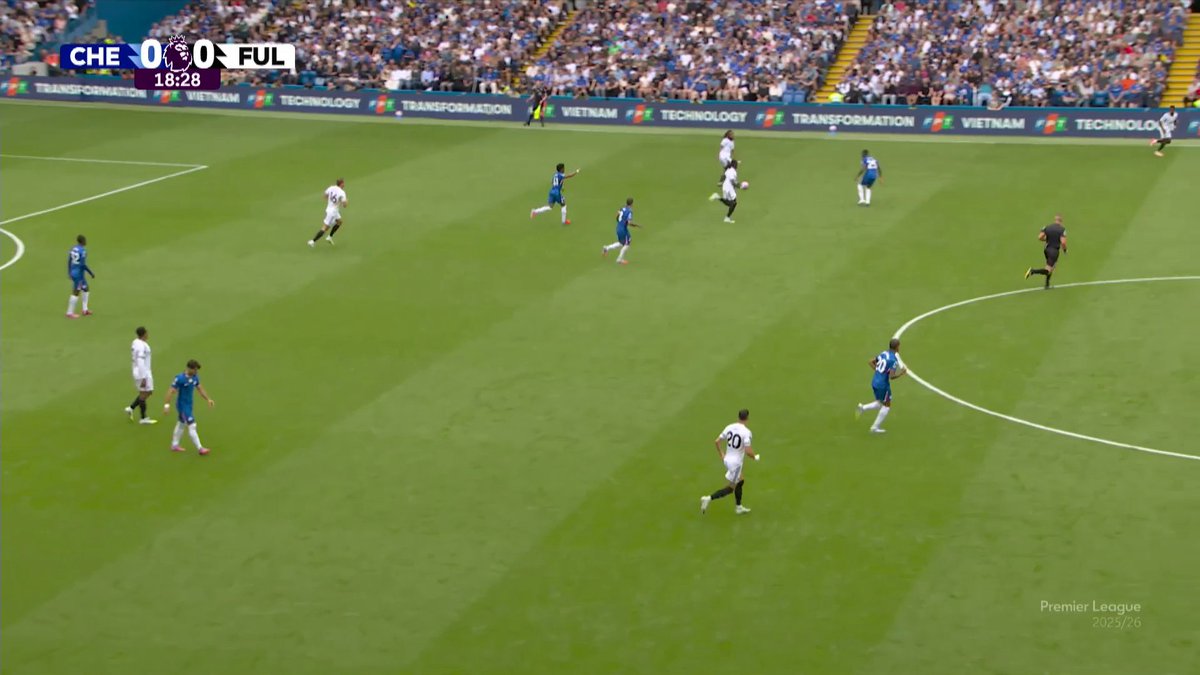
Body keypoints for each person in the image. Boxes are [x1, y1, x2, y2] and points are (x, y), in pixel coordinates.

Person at [700, 409, 760, 515]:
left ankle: (738, 507)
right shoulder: (746, 432)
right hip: (735, 464)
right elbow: (748, 451)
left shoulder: (729, 427)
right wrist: (755, 457)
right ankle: (708, 498)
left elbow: (717, 441)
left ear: (738, 417)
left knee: (740, 481)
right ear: (747, 418)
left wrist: (722, 454)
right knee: (731, 488)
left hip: (727, 459)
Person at [163, 359, 215, 455]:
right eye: (195, 370)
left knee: (181, 424)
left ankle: (174, 445)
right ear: (189, 368)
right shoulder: (180, 378)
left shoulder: (195, 377)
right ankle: (200, 448)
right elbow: (171, 391)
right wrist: (167, 405)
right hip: (182, 406)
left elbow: (200, 388)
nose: (196, 372)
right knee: (192, 425)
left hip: (189, 405)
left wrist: (208, 399)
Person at [856, 338, 905, 434]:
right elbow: (891, 376)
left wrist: (879, 371)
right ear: (897, 347)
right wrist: (901, 373)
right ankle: (874, 428)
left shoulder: (884, 353)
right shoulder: (893, 360)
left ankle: (862, 408)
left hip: (875, 382)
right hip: (883, 385)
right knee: (887, 406)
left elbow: (870, 361)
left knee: (880, 403)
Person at [124, 326, 158, 425]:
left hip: (140, 371)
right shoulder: (141, 346)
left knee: (147, 392)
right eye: (147, 333)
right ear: (144, 334)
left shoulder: (136, 342)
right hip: (142, 372)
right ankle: (143, 418)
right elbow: (140, 361)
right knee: (145, 393)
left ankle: (131, 408)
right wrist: (143, 377)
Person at [1025, 214, 1068, 289]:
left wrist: (1047, 239)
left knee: (1051, 266)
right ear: (1061, 221)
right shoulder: (1062, 230)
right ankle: (1032, 271)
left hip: (1047, 249)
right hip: (1054, 251)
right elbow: (1063, 242)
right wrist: (1065, 250)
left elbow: (1040, 237)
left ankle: (1047, 284)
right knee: (1048, 270)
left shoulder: (1047, 227)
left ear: (1055, 220)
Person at [600, 197, 640, 265]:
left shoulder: (622, 208)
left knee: (621, 243)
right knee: (627, 244)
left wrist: (620, 222)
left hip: (618, 227)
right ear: (632, 204)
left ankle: (606, 248)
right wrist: (637, 225)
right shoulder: (630, 211)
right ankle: (619, 259)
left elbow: (617, 215)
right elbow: (629, 223)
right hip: (623, 230)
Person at [309, 179, 348, 247]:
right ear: (341, 184)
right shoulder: (342, 192)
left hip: (330, 209)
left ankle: (329, 237)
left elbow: (325, 196)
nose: (344, 185)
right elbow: (345, 205)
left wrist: (331, 202)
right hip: (332, 212)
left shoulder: (331, 187)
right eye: (343, 183)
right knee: (325, 228)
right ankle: (312, 241)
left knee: (339, 222)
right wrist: (345, 201)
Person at [65, 234, 94, 319]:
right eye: (85, 240)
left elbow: (69, 261)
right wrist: (90, 273)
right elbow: (83, 265)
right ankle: (69, 313)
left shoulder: (73, 249)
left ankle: (85, 310)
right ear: (83, 241)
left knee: (86, 288)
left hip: (74, 272)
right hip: (79, 275)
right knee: (76, 292)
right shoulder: (83, 251)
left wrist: (69, 272)